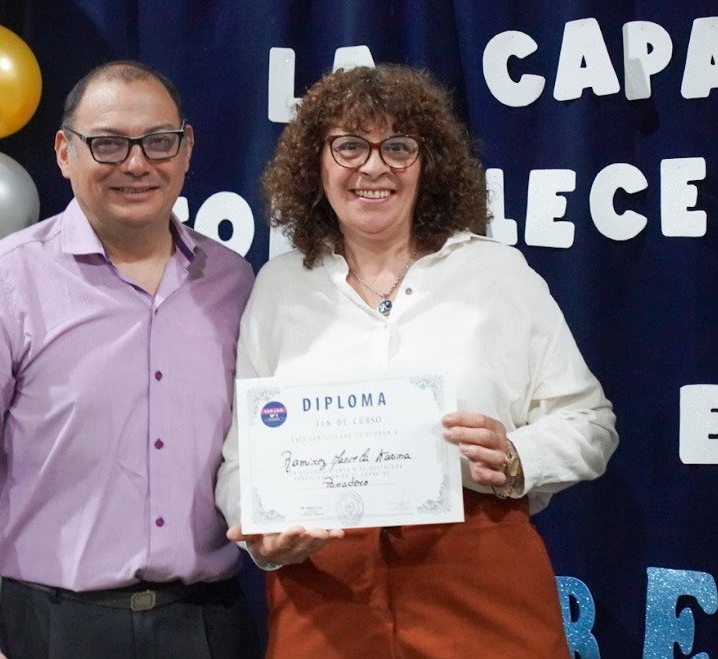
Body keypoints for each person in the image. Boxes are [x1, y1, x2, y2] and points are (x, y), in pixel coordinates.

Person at [215, 63, 618, 657]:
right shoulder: (279, 286)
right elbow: (243, 460)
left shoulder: (497, 273)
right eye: (350, 146)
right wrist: (262, 532)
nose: (373, 167)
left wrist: (515, 456)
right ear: (315, 163)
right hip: (323, 590)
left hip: (480, 581)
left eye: (398, 147)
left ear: (428, 164)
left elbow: (590, 424)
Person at [0, 60, 258, 659]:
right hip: (55, 630)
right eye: (108, 144)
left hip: (210, 626)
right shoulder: (3, 282)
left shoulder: (232, 280)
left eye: (159, 141)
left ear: (186, 149)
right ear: (64, 152)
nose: (137, 163)